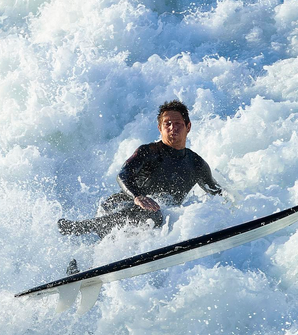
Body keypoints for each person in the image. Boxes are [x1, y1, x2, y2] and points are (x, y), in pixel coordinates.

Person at [58, 100, 222, 238]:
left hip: (149, 218)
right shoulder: (148, 152)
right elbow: (122, 176)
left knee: (161, 217)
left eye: (178, 123)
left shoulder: (196, 164)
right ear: (160, 128)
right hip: (121, 205)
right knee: (155, 215)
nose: (172, 128)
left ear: (188, 127)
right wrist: (137, 196)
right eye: (167, 124)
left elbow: (218, 194)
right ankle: (83, 227)